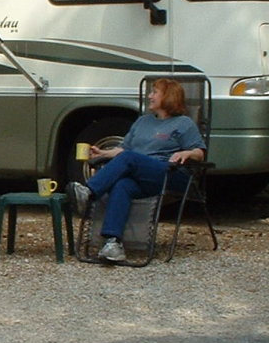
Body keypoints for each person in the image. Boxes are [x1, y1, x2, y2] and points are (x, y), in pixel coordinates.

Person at [66, 77, 206, 263]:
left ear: (168, 96)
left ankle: (89, 192)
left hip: (169, 174)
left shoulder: (183, 123)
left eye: (155, 92)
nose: (149, 96)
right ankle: (113, 243)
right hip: (142, 177)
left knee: (129, 159)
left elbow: (200, 153)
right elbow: (124, 150)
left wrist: (187, 153)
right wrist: (103, 152)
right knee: (122, 185)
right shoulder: (142, 122)